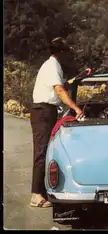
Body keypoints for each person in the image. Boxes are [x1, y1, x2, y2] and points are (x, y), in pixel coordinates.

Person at [29, 37, 84, 208]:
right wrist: (76, 108)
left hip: (47, 110)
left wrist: (78, 78)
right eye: (66, 51)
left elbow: (61, 85)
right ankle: (36, 195)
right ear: (60, 52)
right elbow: (59, 90)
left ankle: (42, 191)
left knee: (47, 150)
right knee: (42, 151)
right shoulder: (52, 65)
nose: (68, 55)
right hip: (43, 111)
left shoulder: (54, 66)